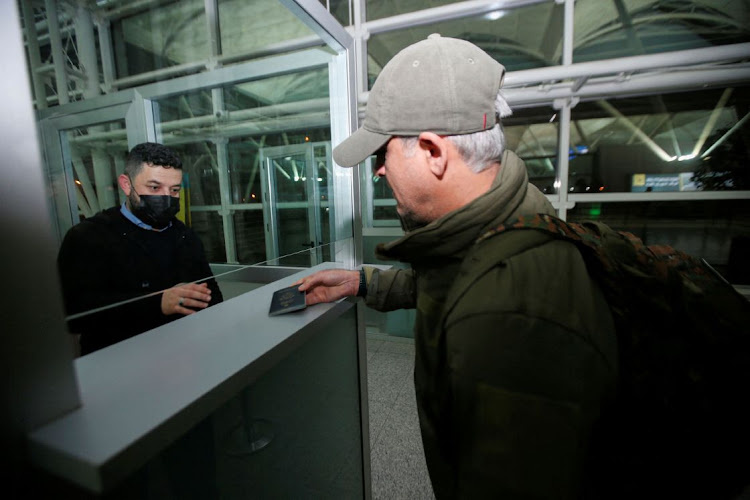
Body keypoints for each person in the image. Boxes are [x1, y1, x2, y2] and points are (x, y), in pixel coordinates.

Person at [297, 35, 618, 498]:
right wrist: (359, 282)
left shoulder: (506, 318)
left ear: (432, 151)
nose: (379, 172)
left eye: (383, 153)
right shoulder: (509, 208)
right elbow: (447, 281)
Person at [57, 142, 223, 356]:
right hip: (116, 365)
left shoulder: (185, 235)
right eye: (154, 188)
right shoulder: (88, 237)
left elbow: (212, 295)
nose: (166, 198)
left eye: (174, 190)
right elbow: (74, 315)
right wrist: (158, 304)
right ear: (126, 185)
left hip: (183, 356)